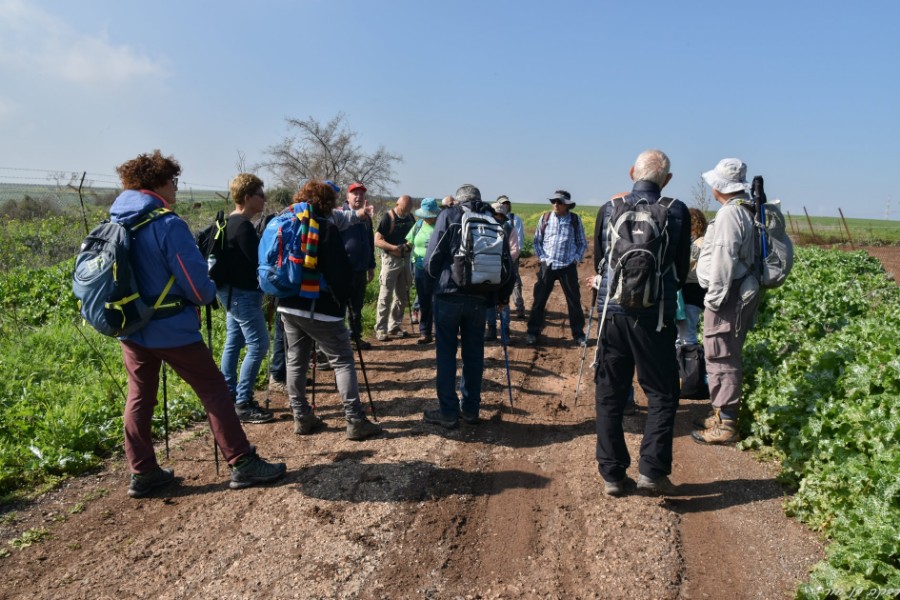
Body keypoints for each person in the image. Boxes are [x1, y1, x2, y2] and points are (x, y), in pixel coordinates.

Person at [110, 150, 285, 498]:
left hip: (131, 325)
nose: (175, 188)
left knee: (139, 397)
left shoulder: (117, 220)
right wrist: (202, 291)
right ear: (159, 183)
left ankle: (143, 472)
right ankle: (242, 462)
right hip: (172, 328)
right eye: (173, 181)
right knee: (216, 392)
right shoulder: (167, 223)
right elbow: (199, 288)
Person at [591, 149, 690, 496]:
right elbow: (680, 265)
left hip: (612, 313)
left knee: (609, 394)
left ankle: (612, 474)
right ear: (668, 180)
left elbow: (598, 264)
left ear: (632, 171)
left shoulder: (608, 209)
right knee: (662, 392)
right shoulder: (676, 210)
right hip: (656, 316)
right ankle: (652, 470)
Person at [278, 180, 383, 440]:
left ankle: (302, 417)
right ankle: (355, 420)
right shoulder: (323, 227)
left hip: (288, 302)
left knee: (296, 360)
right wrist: (346, 299)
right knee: (342, 360)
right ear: (326, 203)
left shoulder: (287, 220)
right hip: (320, 306)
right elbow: (340, 272)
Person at [422, 184, 514, 429]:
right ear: (479, 200)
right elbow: (507, 268)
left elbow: (431, 259)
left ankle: (448, 413)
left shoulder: (449, 216)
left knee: (446, 355)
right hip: (480, 299)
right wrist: (501, 298)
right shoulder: (493, 222)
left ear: (460, 200)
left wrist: (433, 284)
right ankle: (471, 410)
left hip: (448, 296)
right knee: (474, 356)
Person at [693, 158, 761, 445]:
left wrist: (714, 300)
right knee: (723, 353)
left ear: (720, 185)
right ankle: (721, 414)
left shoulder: (729, 216)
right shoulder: (744, 210)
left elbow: (723, 259)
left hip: (727, 295)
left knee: (721, 355)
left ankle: (727, 424)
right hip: (736, 291)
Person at [215, 173, 273, 424]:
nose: (264, 199)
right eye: (260, 195)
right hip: (243, 296)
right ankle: (244, 402)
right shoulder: (244, 227)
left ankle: (228, 394)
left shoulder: (229, 222)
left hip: (228, 293)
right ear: (247, 198)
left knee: (234, 342)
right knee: (259, 344)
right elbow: (258, 264)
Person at [526, 190, 587, 346]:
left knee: (574, 301)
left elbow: (582, 243)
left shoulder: (574, 219)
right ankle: (532, 332)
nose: (555, 204)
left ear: (566, 205)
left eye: (559, 202)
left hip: (567, 266)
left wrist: (575, 259)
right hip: (549, 265)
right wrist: (543, 259)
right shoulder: (545, 218)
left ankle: (579, 334)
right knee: (539, 300)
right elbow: (537, 241)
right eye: (553, 201)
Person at [373, 195, 415, 341]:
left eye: (408, 208)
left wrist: (408, 246)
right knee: (385, 295)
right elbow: (377, 240)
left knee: (402, 296)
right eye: (403, 208)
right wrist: (394, 248)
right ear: (398, 204)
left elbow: (413, 236)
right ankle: (380, 329)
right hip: (390, 259)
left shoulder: (410, 217)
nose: (404, 211)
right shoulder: (388, 218)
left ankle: (394, 326)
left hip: (406, 259)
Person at [340, 182, 376, 350]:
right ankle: (338, 341)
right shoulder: (340, 215)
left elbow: (370, 241)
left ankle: (355, 337)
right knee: (339, 307)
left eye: (361, 194)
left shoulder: (367, 217)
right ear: (348, 197)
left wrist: (371, 265)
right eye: (355, 193)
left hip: (361, 268)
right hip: (344, 269)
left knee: (357, 306)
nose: (358, 196)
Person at [406, 197, 441, 344]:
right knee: (424, 300)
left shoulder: (442, 225)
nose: (427, 218)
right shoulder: (419, 224)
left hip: (437, 268)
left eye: (430, 215)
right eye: (425, 215)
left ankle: (441, 333)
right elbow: (409, 242)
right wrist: (401, 250)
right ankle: (425, 332)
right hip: (419, 267)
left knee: (438, 301)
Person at [484, 200, 520, 341]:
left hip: (504, 271)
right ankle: (491, 329)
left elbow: (515, 250)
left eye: (498, 214)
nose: (496, 217)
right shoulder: (485, 227)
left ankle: (505, 330)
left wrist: (502, 261)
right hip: (489, 269)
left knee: (503, 301)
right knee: (489, 301)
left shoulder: (510, 228)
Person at [676, 208, 709, 346]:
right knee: (682, 333)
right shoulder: (698, 241)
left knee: (687, 334)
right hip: (692, 291)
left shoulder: (700, 243)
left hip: (693, 290)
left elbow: (688, 262)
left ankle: (689, 363)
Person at [498, 195, 526, 319]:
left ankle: (519, 307)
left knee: (515, 281)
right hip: (496, 257)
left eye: (507, 203)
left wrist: (511, 257)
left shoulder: (515, 220)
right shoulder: (492, 220)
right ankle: (498, 307)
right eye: (502, 203)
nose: (505, 205)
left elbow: (519, 241)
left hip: (512, 257)